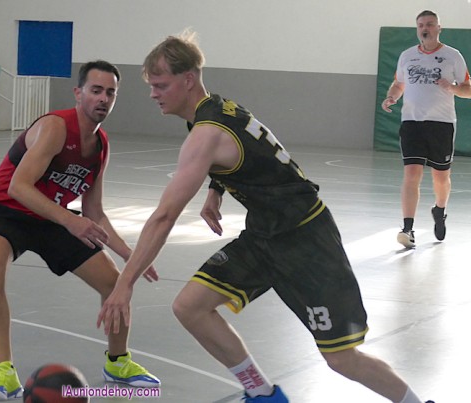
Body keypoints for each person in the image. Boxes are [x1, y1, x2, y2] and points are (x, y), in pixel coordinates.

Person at [97, 31, 433, 403]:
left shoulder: (206, 133)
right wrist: (216, 189)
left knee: (341, 358)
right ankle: (264, 395)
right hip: (265, 235)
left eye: (160, 85)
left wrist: (124, 285)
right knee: (190, 306)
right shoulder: (218, 108)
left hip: (307, 239)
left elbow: (164, 217)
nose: (153, 94)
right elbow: (250, 148)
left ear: (188, 80)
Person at [0, 60, 160, 402]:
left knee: (114, 283)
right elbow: (18, 186)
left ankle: (118, 362)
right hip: (7, 211)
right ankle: (4, 372)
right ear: (78, 93)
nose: (103, 98)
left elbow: (94, 212)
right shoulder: (56, 127)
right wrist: (71, 221)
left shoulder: (100, 146)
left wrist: (131, 255)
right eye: (96, 90)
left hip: (52, 219)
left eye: (111, 93)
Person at [381, 10, 471, 249]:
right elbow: (399, 83)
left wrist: (452, 88)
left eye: (430, 24)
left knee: (441, 176)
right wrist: (391, 96)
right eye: (421, 25)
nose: (425, 28)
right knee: (411, 173)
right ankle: (407, 228)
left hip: (441, 124)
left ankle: (440, 210)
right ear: (417, 29)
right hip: (412, 123)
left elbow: (468, 89)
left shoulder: (453, 56)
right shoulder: (407, 56)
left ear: (439, 28)